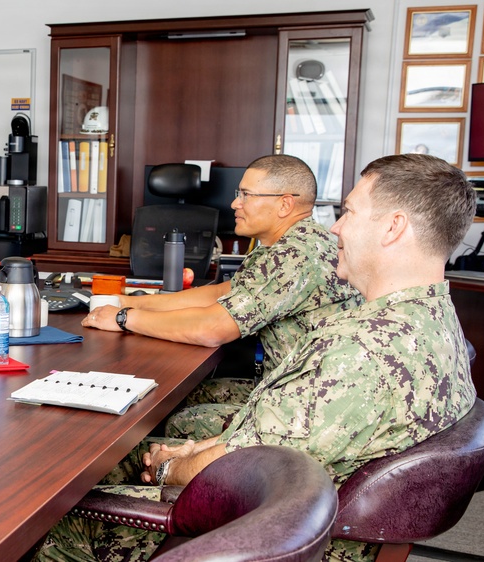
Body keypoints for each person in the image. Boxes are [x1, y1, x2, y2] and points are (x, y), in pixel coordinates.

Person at [33, 153, 478, 562]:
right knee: (127, 453)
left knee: (48, 517)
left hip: (284, 533)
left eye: (348, 212)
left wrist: (170, 465)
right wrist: (187, 452)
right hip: (314, 501)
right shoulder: (432, 316)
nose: (337, 228)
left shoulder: (361, 351)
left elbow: (243, 458)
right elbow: (279, 434)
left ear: (393, 227)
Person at [83, 154, 361, 439]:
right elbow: (220, 293)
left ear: (285, 203)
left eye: (246, 195)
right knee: (178, 395)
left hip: (303, 409)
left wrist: (123, 318)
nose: (234, 204)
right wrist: (129, 301)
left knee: (170, 417)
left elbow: (211, 328)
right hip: (301, 390)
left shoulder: (293, 256)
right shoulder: (295, 241)